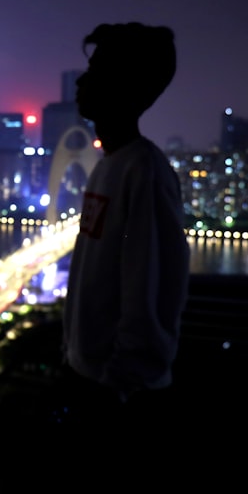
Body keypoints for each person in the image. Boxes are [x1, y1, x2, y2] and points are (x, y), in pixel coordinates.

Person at [59, 22, 191, 440]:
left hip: (119, 400)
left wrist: (118, 383)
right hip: (92, 382)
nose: (82, 80)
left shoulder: (144, 171)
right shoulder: (108, 166)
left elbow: (148, 284)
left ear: (127, 86)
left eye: (96, 71)